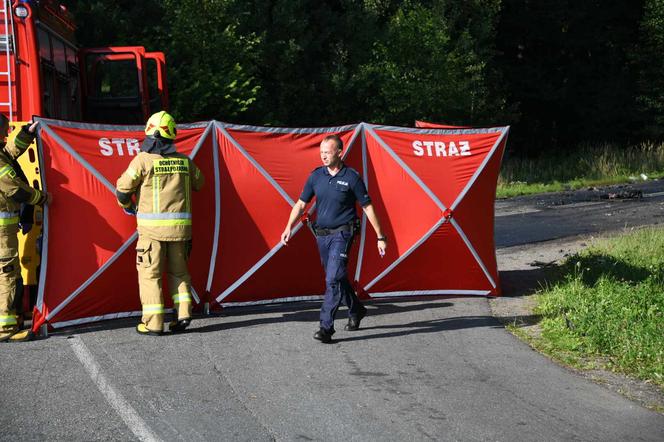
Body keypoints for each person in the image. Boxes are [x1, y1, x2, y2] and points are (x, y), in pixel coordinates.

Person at [280, 134, 387, 343]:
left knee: (332, 279)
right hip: (322, 236)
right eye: (321, 152)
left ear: (339, 152)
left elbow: (367, 207)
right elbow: (301, 204)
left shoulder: (352, 177)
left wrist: (380, 236)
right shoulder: (316, 176)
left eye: (327, 152)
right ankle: (356, 309)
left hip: (343, 233)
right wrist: (288, 227)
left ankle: (326, 327)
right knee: (337, 277)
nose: (323, 156)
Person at [115, 111, 204, 336]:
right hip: (181, 233)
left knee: (150, 275)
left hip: (151, 234)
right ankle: (183, 313)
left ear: (150, 134)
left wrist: (127, 205)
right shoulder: (184, 161)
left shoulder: (143, 160)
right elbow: (200, 183)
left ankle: (153, 323)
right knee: (179, 274)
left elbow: (122, 190)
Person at [0, 115, 50, 342]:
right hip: (2, 232)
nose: (6, 134)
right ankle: (6, 328)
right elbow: (15, 190)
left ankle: (14, 318)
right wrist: (42, 198)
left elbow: (10, 151)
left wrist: (27, 134)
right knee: (7, 273)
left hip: (6, 229)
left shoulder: (1, 153)